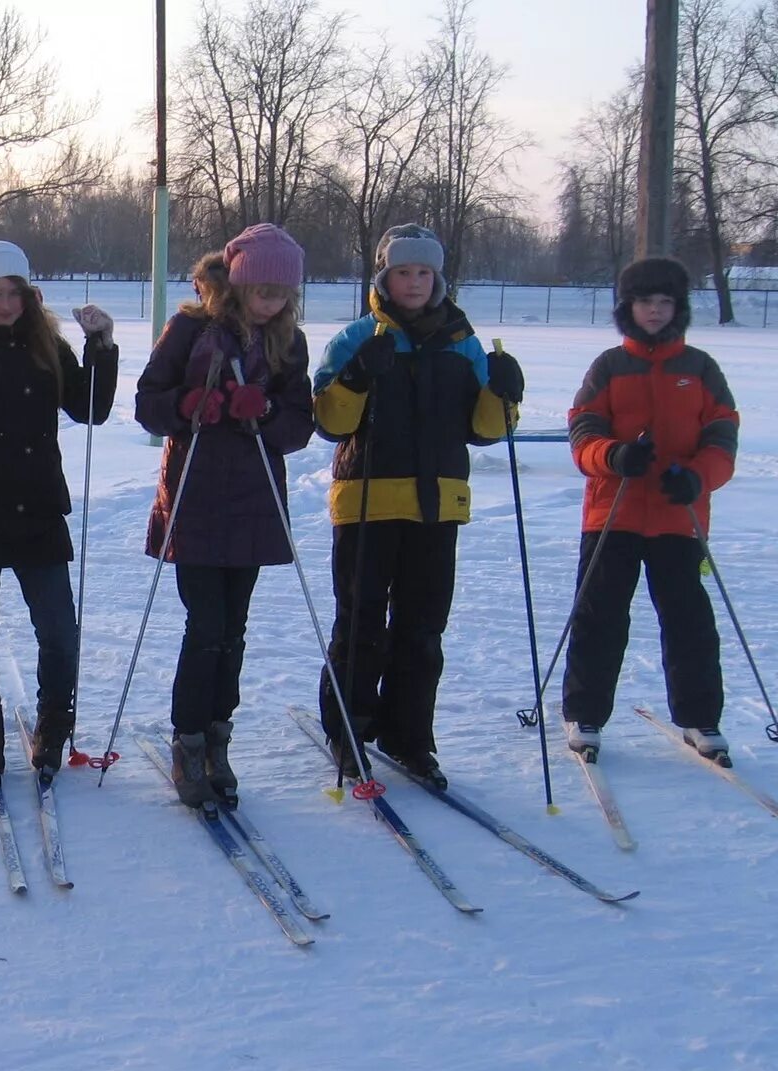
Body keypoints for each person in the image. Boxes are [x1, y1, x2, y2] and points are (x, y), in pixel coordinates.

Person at [311, 223, 523, 788]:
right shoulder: (357, 337)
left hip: (437, 506)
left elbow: (485, 429)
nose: (413, 282)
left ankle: (410, 735)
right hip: (367, 504)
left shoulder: (462, 343)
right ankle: (348, 727)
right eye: (403, 272)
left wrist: (504, 393)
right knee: (360, 623)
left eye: (423, 272)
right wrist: (356, 377)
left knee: (423, 628)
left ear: (438, 278)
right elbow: (331, 422)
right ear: (385, 277)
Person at [134, 225, 314, 808]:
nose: (271, 303)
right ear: (235, 284)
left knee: (233, 630)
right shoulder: (192, 329)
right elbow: (148, 403)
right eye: (261, 291)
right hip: (195, 496)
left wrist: (262, 410)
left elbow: (298, 423)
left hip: (255, 499)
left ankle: (218, 737)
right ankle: (188, 740)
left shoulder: (289, 341)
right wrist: (190, 407)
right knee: (205, 626)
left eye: (281, 294)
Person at [0, 240, 117, 776]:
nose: (6, 303)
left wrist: (100, 343)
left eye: (15, 292)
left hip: (36, 504)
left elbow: (91, 407)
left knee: (58, 626)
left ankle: (55, 717)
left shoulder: (47, 345)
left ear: (29, 294)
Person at [561, 256, 739, 761]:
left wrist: (698, 477)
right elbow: (583, 434)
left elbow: (723, 436)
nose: (655, 312)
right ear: (628, 307)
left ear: (678, 308)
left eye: (665, 303)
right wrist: (615, 455)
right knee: (599, 617)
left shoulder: (701, 368)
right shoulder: (609, 367)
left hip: (678, 516)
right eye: (645, 302)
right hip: (612, 513)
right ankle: (585, 712)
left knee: (689, 620)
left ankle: (701, 718)